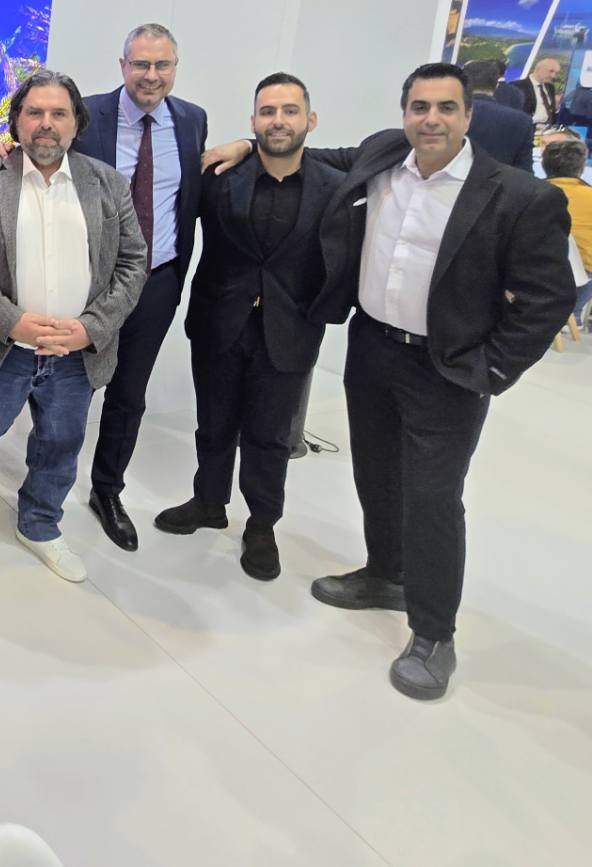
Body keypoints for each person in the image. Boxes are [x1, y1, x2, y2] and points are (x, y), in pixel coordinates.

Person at [208, 63, 572, 699]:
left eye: (446, 108)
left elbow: (548, 299)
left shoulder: (517, 196)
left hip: (449, 368)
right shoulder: (382, 155)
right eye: (419, 107)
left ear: (468, 116)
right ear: (404, 113)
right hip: (373, 347)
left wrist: (491, 368)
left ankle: (433, 633)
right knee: (375, 473)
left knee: (432, 497)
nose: (431, 119)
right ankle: (385, 573)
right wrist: (245, 142)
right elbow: (311, 152)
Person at [0, 70, 146, 580]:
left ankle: (40, 523)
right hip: (1, 346)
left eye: (59, 113)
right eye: (34, 112)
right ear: (17, 121)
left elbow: (132, 262)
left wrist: (91, 328)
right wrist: (13, 323)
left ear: (77, 123)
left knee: (60, 442)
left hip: (76, 353)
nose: (46, 123)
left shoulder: (108, 183)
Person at [155, 74, 345, 580]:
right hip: (220, 321)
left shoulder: (334, 186)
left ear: (310, 120)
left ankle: (262, 525)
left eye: (289, 111)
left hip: (289, 330)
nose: (278, 121)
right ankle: (208, 502)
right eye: (267, 112)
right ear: (253, 120)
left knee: (270, 436)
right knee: (213, 423)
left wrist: (324, 311)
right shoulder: (221, 177)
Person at [71, 23, 208, 552]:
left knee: (129, 394)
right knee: (68, 387)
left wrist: (245, 145)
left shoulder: (192, 120)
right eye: (141, 64)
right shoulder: (87, 114)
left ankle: (107, 490)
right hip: (90, 280)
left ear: (175, 67)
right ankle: (46, 484)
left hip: (157, 280)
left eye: (162, 64)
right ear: (122, 65)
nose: (151, 75)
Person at [541, 136, 592, 319]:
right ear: (581, 168)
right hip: (580, 284)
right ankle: (574, 317)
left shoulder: (527, 194)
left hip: (531, 280)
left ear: (544, 165)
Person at [460, 59, 533, 172]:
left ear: (463, 84)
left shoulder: (449, 115)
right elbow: (525, 169)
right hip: (502, 180)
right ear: (497, 85)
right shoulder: (522, 121)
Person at [511, 56, 563, 125]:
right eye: (551, 71)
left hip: (548, 127)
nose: (553, 76)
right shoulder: (517, 86)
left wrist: (556, 106)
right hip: (527, 126)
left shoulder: (550, 87)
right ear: (538, 69)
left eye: (556, 73)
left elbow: (551, 112)